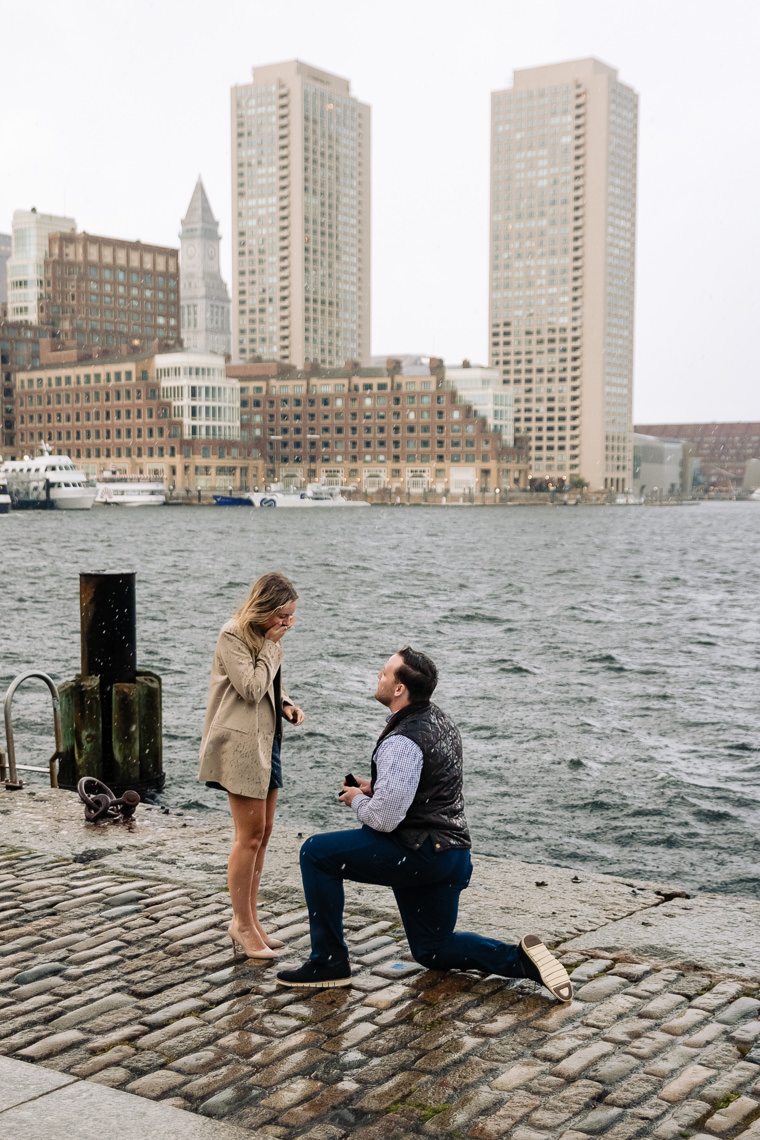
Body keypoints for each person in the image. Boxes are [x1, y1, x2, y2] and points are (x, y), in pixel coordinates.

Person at [276, 647, 572, 1001]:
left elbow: (384, 819)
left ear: (400, 688)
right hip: (452, 856)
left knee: (315, 852)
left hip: (417, 854)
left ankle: (328, 963)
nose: (379, 677)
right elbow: (429, 786)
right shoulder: (440, 721)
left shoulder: (402, 741)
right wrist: (376, 788)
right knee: (431, 949)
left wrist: (357, 799)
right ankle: (521, 960)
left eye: (385, 674)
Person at [199, 571, 304, 960]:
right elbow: (251, 687)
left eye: (291, 617)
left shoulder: (265, 639)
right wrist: (274, 647)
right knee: (249, 836)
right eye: (283, 617)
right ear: (265, 610)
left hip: (267, 740)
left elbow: (272, 687)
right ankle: (240, 925)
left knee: (264, 832)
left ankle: (251, 919)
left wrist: (288, 704)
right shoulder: (233, 635)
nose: (287, 624)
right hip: (240, 745)